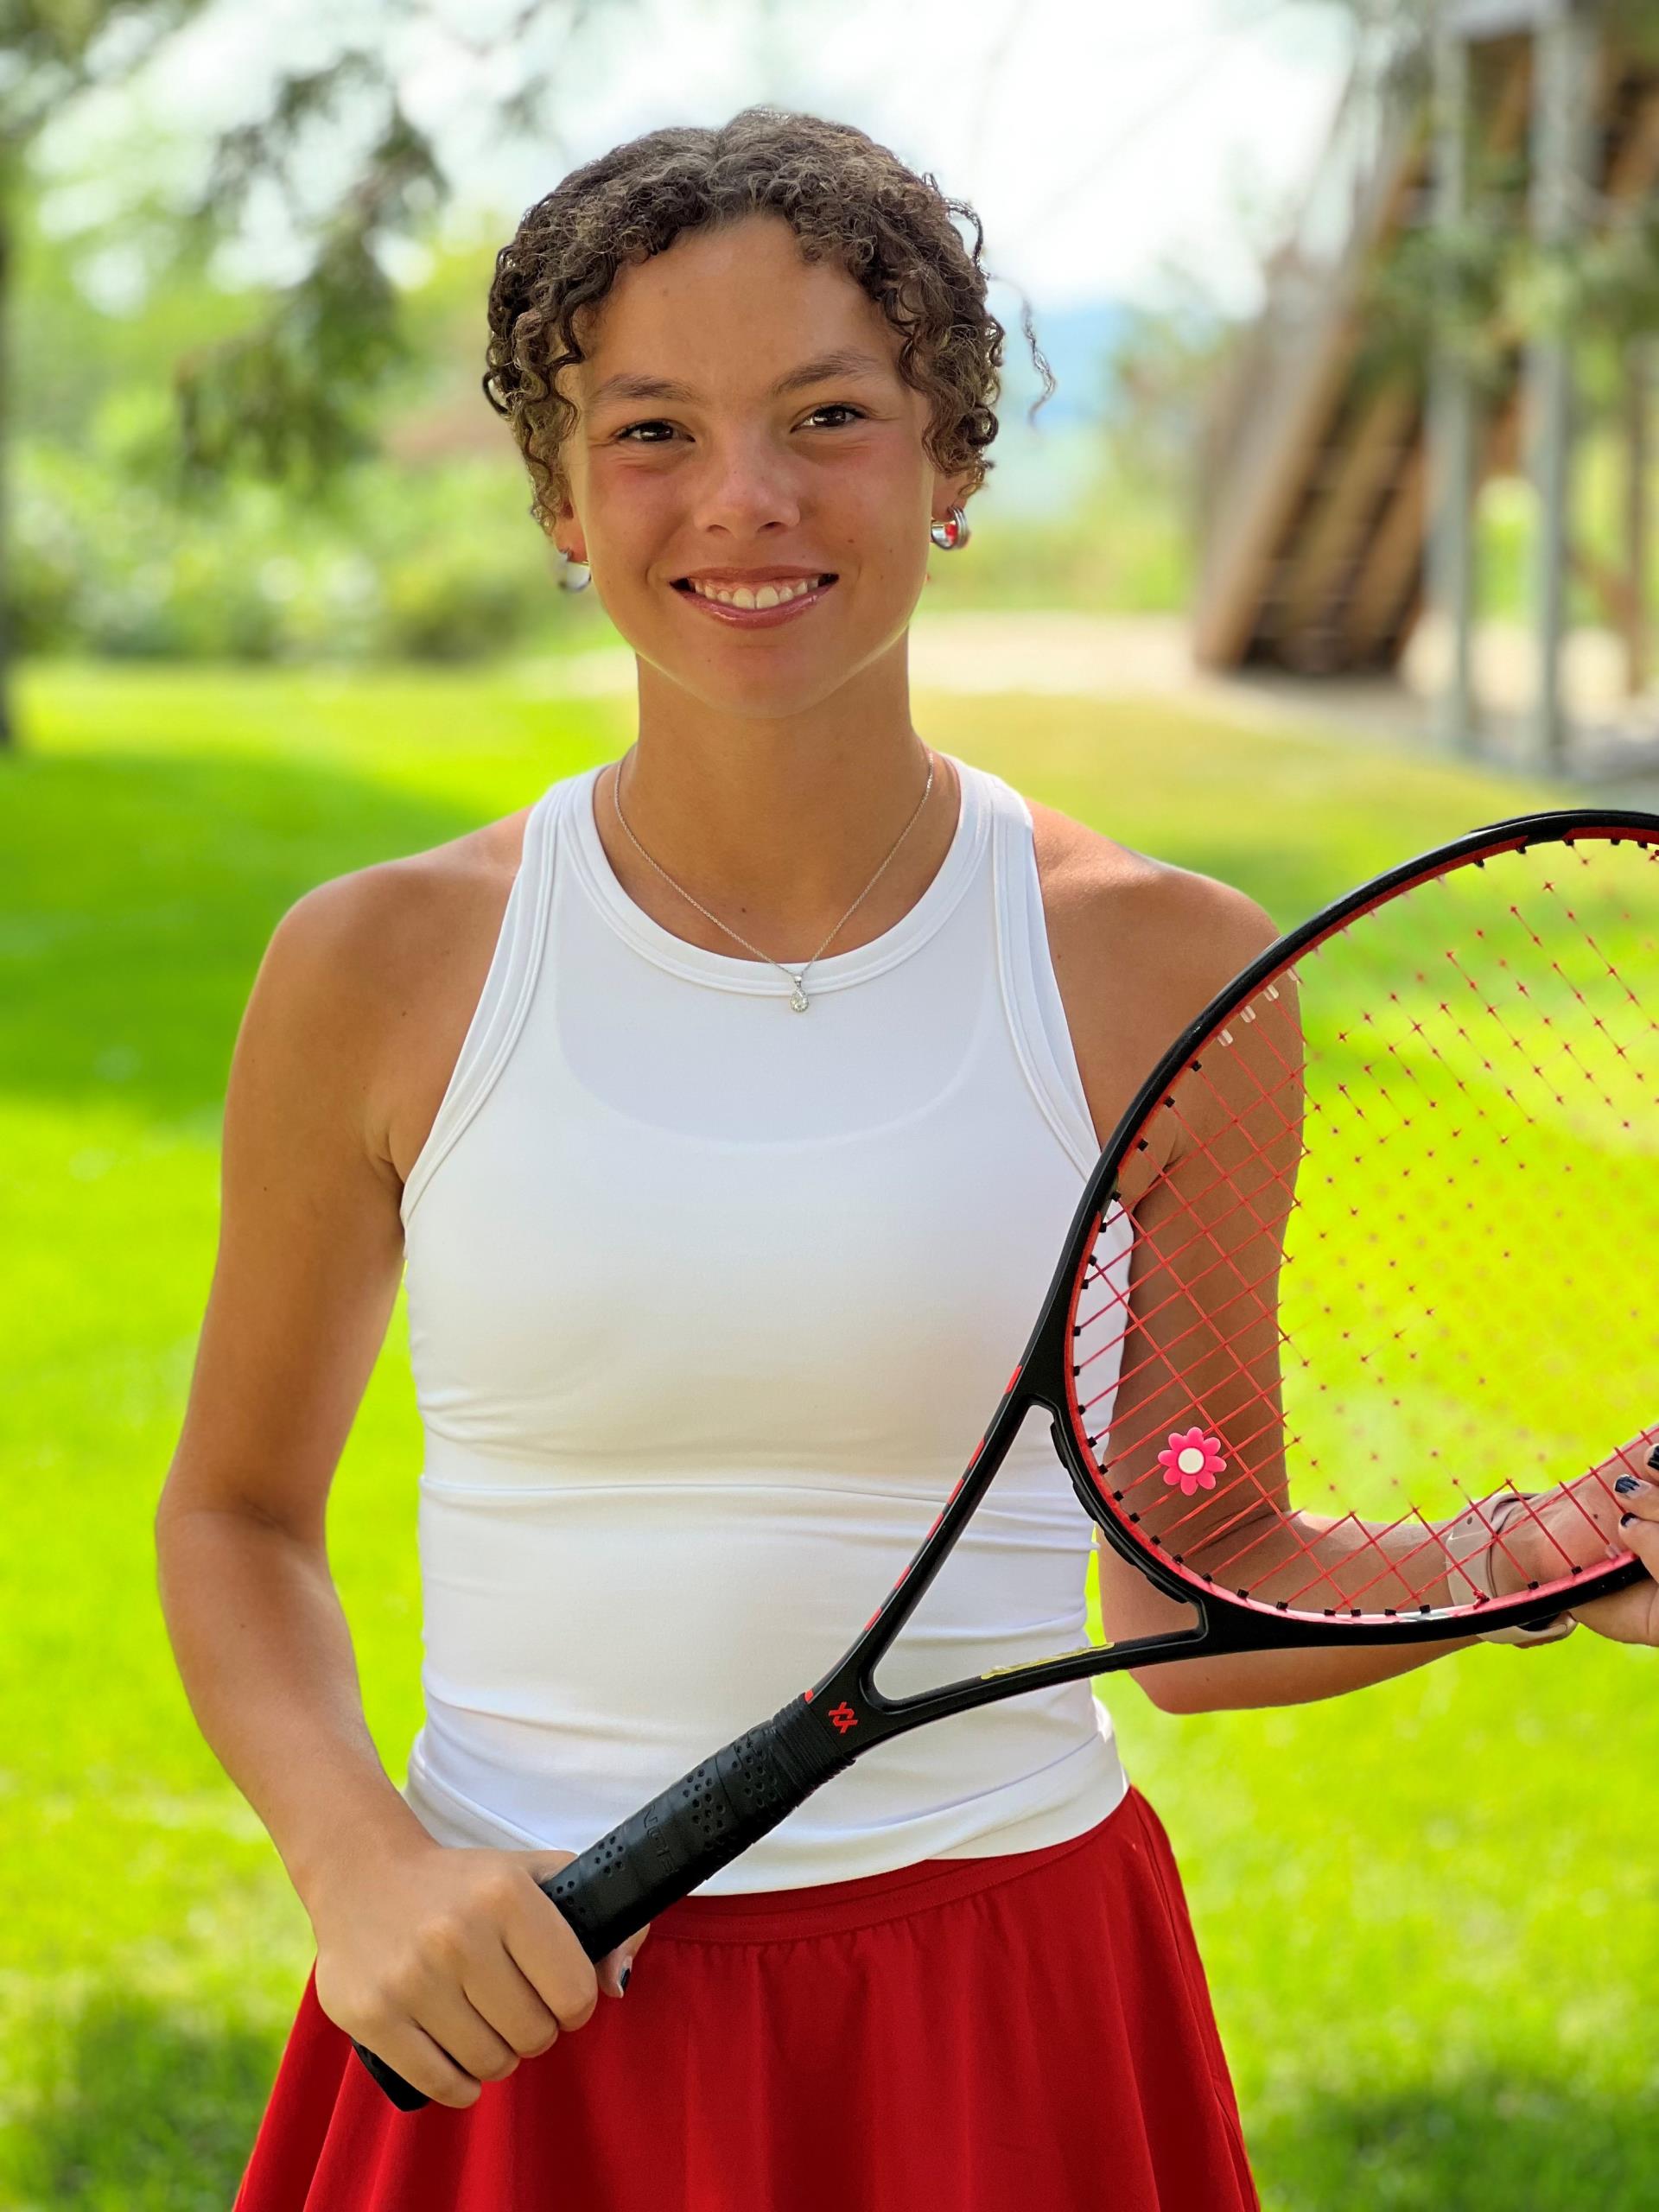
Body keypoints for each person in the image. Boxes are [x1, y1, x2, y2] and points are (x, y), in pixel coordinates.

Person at [158, 103, 1654, 2212]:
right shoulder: (385, 969)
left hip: (1007, 2006)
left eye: (830, 414)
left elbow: (1197, 1554)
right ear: (562, 501)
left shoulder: (1160, 972)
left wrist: (1548, 1554)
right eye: (653, 429)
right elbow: (235, 1515)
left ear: (954, 464)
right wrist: (364, 1865)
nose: (745, 500)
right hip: (507, 1984)